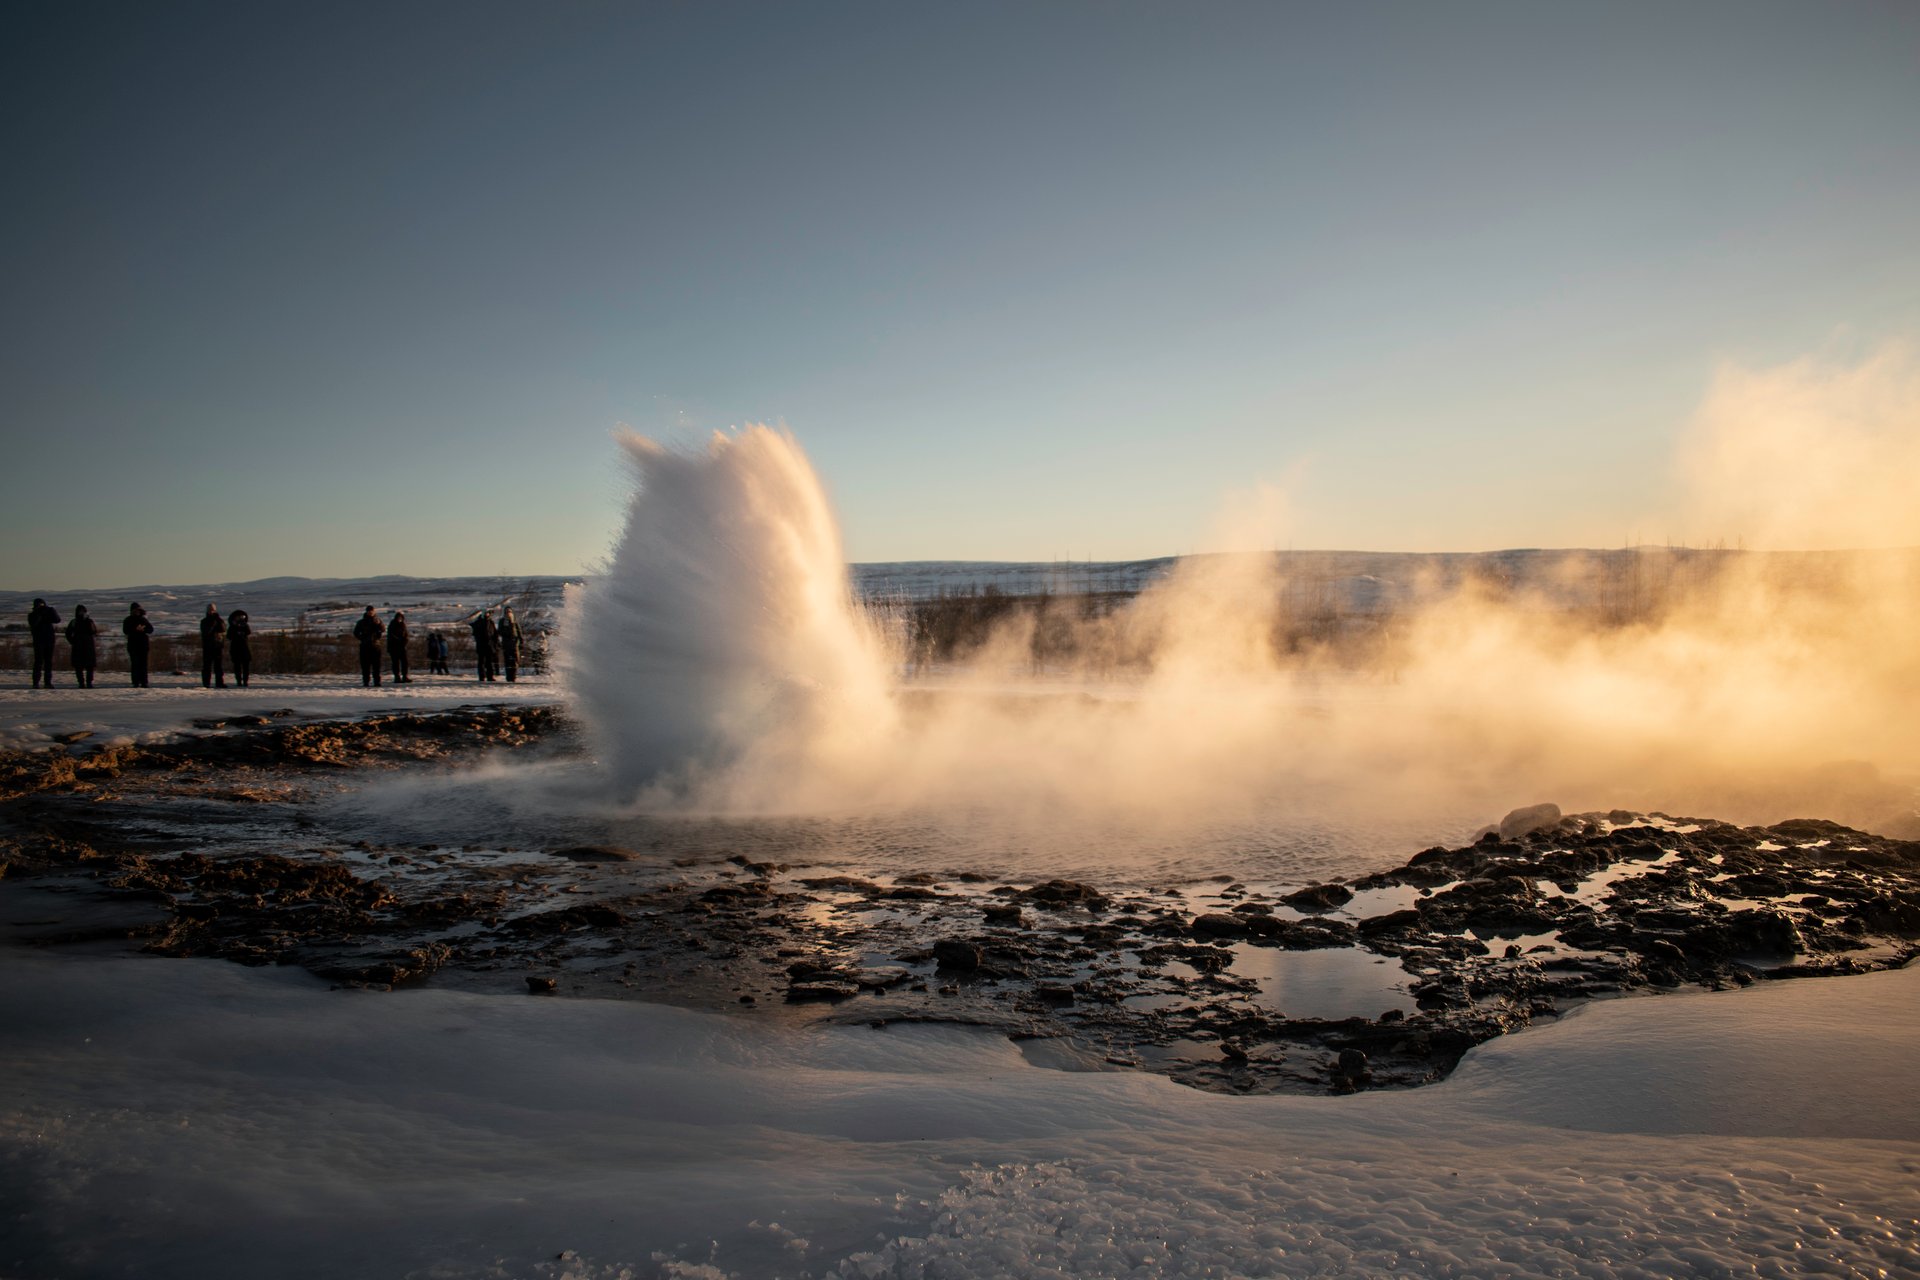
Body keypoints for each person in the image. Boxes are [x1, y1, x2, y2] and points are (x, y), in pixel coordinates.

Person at [63, 605, 100, 688]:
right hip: (78, 646)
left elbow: (94, 631)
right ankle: (81, 683)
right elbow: (68, 633)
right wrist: (72, 641)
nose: (82, 613)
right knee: (78, 666)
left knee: (90, 666)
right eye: (80, 611)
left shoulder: (89, 621)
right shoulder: (74, 621)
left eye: (83, 611)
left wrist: (89, 623)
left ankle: (89, 682)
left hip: (88, 646)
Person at [27, 598, 60, 689]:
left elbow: (57, 620)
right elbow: (33, 624)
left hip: (49, 640)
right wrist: (39, 614)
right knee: (38, 662)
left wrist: (50, 611)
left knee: (48, 662)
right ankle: (36, 682)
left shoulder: (48, 612)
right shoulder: (32, 615)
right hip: (39, 641)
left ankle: (47, 682)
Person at [122, 603, 154, 687]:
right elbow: (125, 631)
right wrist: (135, 630)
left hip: (143, 644)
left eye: (138, 610)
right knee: (135, 664)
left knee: (143, 664)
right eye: (135, 610)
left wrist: (143, 629)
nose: (136, 612)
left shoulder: (143, 619)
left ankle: (144, 682)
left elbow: (150, 629)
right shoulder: (128, 620)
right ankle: (135, 682)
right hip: (133, 644)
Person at [352, 606, 384, 687]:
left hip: (376, 645)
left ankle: (377, 682)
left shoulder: (378, 621)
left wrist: (378, 624)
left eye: (372, 611)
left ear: (374, 612)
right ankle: (366, 681)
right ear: (366, 612)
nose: (370, 612)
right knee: (365, 665)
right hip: (365, 646)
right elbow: (356, 632)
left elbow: (383, 629)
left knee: (376, 665)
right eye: (369, 611)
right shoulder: (361, 622)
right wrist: (362, 638)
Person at [199, 603, 227, 687]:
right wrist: (212, 622)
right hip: (208, 646)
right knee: (207, 666)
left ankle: (219, 682)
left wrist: (218, 620)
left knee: (218, 666)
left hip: (218, 645)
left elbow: (223, 629)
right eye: (210, 610)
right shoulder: (204, 621)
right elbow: (206, 632)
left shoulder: (219, 620)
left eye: (213, 610)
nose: (212, 611)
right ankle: (206, 683)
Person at [496, 605, 522, 683]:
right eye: (507, 612)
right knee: (508, 661)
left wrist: (521, 640)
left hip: (515, 644)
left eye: (510, 612)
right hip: (506, 644)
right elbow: (499, 631)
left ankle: (513, 676)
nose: (508, 613)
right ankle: (509, 677)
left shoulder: (514, 621)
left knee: (515, 660)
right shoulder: (502, 621)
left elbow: (519, 631)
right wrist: (506, 634)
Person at [227, 608, 253, 687]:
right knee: (237, 666)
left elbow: (248, 632)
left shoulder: (244, 625)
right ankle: (239, 681)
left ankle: (245, 681)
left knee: (246, 665)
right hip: (235, 648)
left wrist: (244, 626)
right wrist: (236, 632)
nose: (240, 619)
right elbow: (229, 636)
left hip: (244, 647)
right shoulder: (232, 627)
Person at [469, 609, 497, 682]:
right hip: (481, 645)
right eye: (486, 613)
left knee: (489, 662)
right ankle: (482, 676)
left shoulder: (491, 622)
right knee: (481, 661)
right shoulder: (478, 622)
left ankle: (490, 676)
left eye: (488, 613)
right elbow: (475, 633)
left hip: (489, 645)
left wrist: (495, 643)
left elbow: (494, 634)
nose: (487, 614)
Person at [387, 610, 411, 683]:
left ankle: (405, 676)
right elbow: (391, 636)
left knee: (405, 662)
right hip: (394, 647)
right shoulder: (392, 625)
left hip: (402, 646)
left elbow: (406, 635)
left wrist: (404, 642)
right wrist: (398, 640)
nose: (399, 619)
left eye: (401, 618)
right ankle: (397, 676)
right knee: (395, 662)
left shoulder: (403, 625)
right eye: (398, 618)